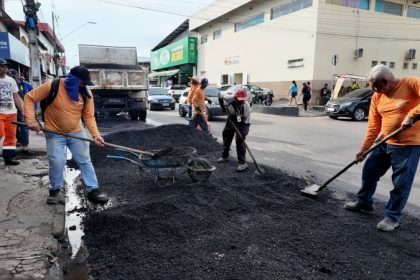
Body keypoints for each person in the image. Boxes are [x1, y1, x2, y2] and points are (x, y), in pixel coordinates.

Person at [344, 65, 420, 232]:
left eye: (375, 85)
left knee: (401, 183)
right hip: (384, 141)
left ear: (385, 81)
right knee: (369, 171)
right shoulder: (377, 96)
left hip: (407, 146)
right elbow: (373, 126)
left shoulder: (411, 83)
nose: (373, 89)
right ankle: (364, 202)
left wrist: (412, 114)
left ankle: (392, 217)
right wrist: (364, 149)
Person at [24, 66, 109, 205]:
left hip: (76, 132)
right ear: (73, 80)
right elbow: (29, 98)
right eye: (82, 83)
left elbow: (88, 116)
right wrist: (31, 120)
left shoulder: (87, 93)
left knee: (84, 160)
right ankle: (55, 191)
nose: (84, 86)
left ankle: (93, 190)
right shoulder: (53, 85)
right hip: (54, 133)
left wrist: (96, 135)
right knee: (57, 161)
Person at [217, 87, 251, 172]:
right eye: (240, 99)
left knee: (240, 140)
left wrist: (240, 131)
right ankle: (225, 156)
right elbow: (219, 95)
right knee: (226, 135)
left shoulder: (246, 106)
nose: (241, 101)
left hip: (244, 123)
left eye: (243, 99)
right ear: (235, 97)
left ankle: (242, 163)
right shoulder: (228, 98)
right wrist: (223, 108)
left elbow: (243, 120)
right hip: (232, 118)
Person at [0, 58, 24, 165]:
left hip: (11, 112)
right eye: (2, 67)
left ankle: (9, 158)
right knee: (0, 133)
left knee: (11, 136)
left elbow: (16, 96)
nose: (5, 69)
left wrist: (23, 110)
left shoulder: (11, 80)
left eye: (6, 67)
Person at [8, 69, 33, 152]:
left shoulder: (27, 85)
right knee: (14, 127)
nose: (12, 79)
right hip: (11, 110)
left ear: (17, 77)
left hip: (23, 109)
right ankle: (18, 141)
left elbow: (34, 98)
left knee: (24, 127)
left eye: (13, 77)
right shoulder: (7, 85)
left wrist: (33, 110)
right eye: (10, 77)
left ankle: (25, 144)